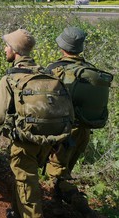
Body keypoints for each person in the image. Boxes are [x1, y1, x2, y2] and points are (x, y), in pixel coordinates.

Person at [0, 29, 72, 218]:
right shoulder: (49, 74)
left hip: (23, 142)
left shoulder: (10, 78)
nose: (5, 49)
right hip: (49, 142)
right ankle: (16, 212)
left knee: (28, 189)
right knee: (23, 180)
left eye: (7, 46)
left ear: (14, 50)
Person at [45, 27, 99, 218]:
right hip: (83, 131)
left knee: (57, 171)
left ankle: (83, 208)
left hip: (63, 130)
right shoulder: (90, 70)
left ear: (62, 47)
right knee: (64, 169)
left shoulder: (54, 69)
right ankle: (56, 204)